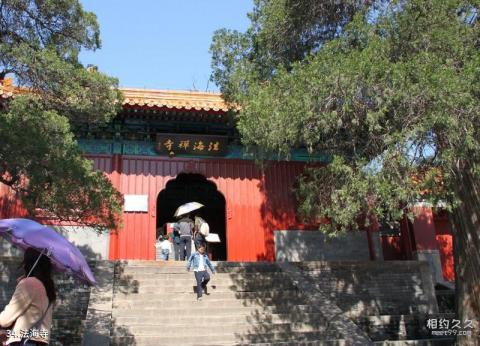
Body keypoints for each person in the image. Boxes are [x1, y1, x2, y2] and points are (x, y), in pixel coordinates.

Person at [0, 248, 56, 346]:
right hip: (38, 341)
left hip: (21, 342)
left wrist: (23, 285)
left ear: (29, 263)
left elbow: (5, 320)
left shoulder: (29, 283)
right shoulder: (48, 287)